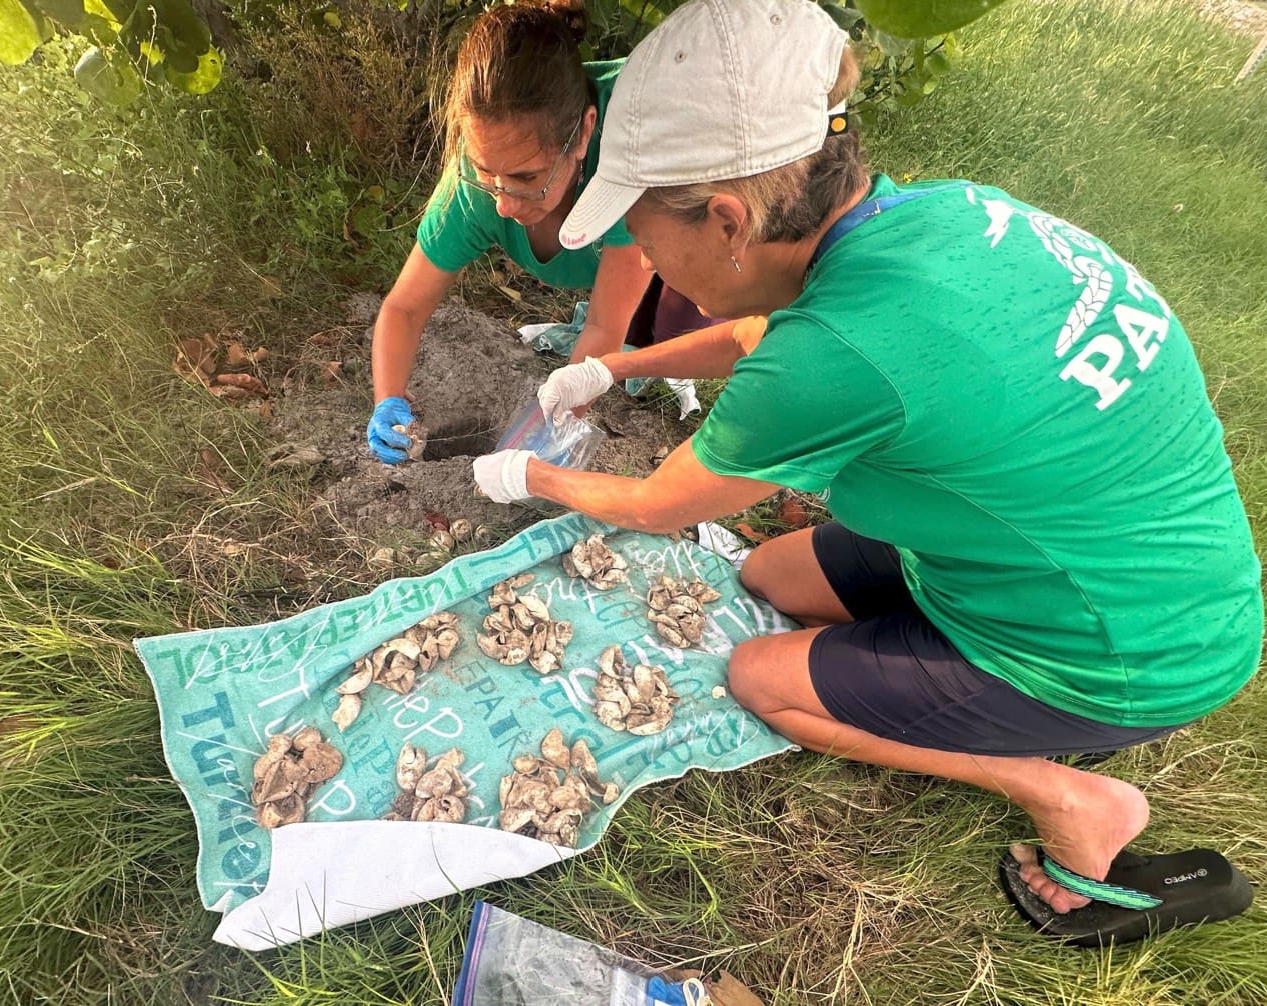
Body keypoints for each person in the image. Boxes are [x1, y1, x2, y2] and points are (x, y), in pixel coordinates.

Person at [472, 0, 1262, 944]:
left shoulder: (835, 357)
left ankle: (1070, 793)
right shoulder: (936, 215)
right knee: (767, 575)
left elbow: (655, 504)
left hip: (1122, 650)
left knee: (763, 677)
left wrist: (531, 476)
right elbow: (774, 332)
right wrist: (617, 366)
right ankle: (943, 645)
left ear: (727, 219)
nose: (641, 255)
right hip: (1108, 560)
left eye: (643, 229)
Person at [366, 0, 714, 464]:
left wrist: (544, 430)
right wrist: (387, 398)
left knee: (673, 327)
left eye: (528, 178)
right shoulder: (474, 190)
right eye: (487, 171)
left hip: (683, 198)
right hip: (605, 242)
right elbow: (405, 306)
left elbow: (604, 326)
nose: (504, 203)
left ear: (585, 135)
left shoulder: (631, 155)